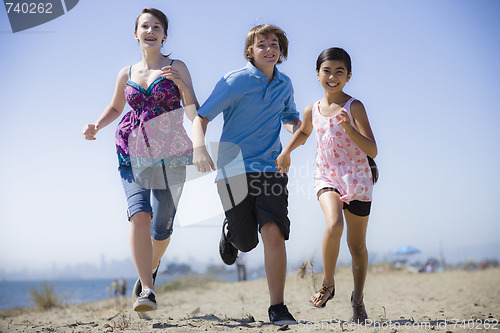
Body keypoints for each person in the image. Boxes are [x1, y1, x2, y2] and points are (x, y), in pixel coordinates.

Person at [82, 8, 198, 312]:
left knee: (162, 226)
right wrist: (96, 125)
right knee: (140, 215)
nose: (150, 30)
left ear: (164, 34)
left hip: (170, 153)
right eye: (145, 26)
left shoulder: (177, 66)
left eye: (156, 26)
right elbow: (115, 107)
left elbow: (192, 110)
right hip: (131, 149)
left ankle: (152, 265)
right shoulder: (127, 72)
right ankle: (147, 289)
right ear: (136, 34)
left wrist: (183, 86)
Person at [192, 24, 301, 326]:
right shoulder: (235, 81)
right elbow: (202, 117)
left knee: (273, 232)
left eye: (274, 44)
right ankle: (230, 232)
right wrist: (199, 149)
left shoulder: (285, 84)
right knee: (246, 242)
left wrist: (300, 127)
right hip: (232, 171)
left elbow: (290, 117)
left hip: (270, 168)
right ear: (250, 51)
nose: (269, 49)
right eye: (262, 44)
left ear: (282, 50)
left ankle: (277, 307)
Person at [276, 47, 378, 324]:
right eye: (327, 71)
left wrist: (350, 130)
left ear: (348, 76)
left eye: (339, 72)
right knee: (334, 224)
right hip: (327, 177)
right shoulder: (312, 109)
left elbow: (373, 149)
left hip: (357, 179)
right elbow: (304, 133)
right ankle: (328, 284)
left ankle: (357, 299)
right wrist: (286, 152)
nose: (332, 76)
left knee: (357, 247)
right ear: (318, 74)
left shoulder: (354, 107)